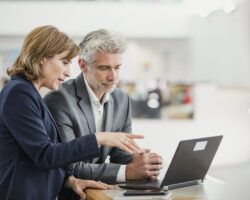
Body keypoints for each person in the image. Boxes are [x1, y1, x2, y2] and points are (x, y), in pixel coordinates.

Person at [0, 25, 144, 200]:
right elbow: (46, 155)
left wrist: (68, 181)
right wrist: (99, 138)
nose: (68, 72)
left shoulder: (28, 92)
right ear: (42, 59)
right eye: (65, 62)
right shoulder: (20, 93)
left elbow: (35, 158)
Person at [44, 29, 163, 187]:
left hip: (103, 191)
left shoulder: (122, 100)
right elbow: (69, 166)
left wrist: (141, 162)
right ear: (83, 65)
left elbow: (120, 156)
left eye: (117, 67)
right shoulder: (59, 99)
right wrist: (127, 172)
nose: (113, 77)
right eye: (104, 68)